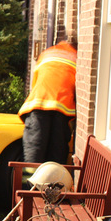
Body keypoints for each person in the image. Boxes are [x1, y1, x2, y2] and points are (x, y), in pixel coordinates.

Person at [18, 33, 77, 164]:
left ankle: (29, 184)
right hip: (62, 111)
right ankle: (53, 183)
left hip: (37, 106)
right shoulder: (77, 58)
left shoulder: (47, 53)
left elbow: (36, 82)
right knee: (57, 154)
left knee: (33, 153)